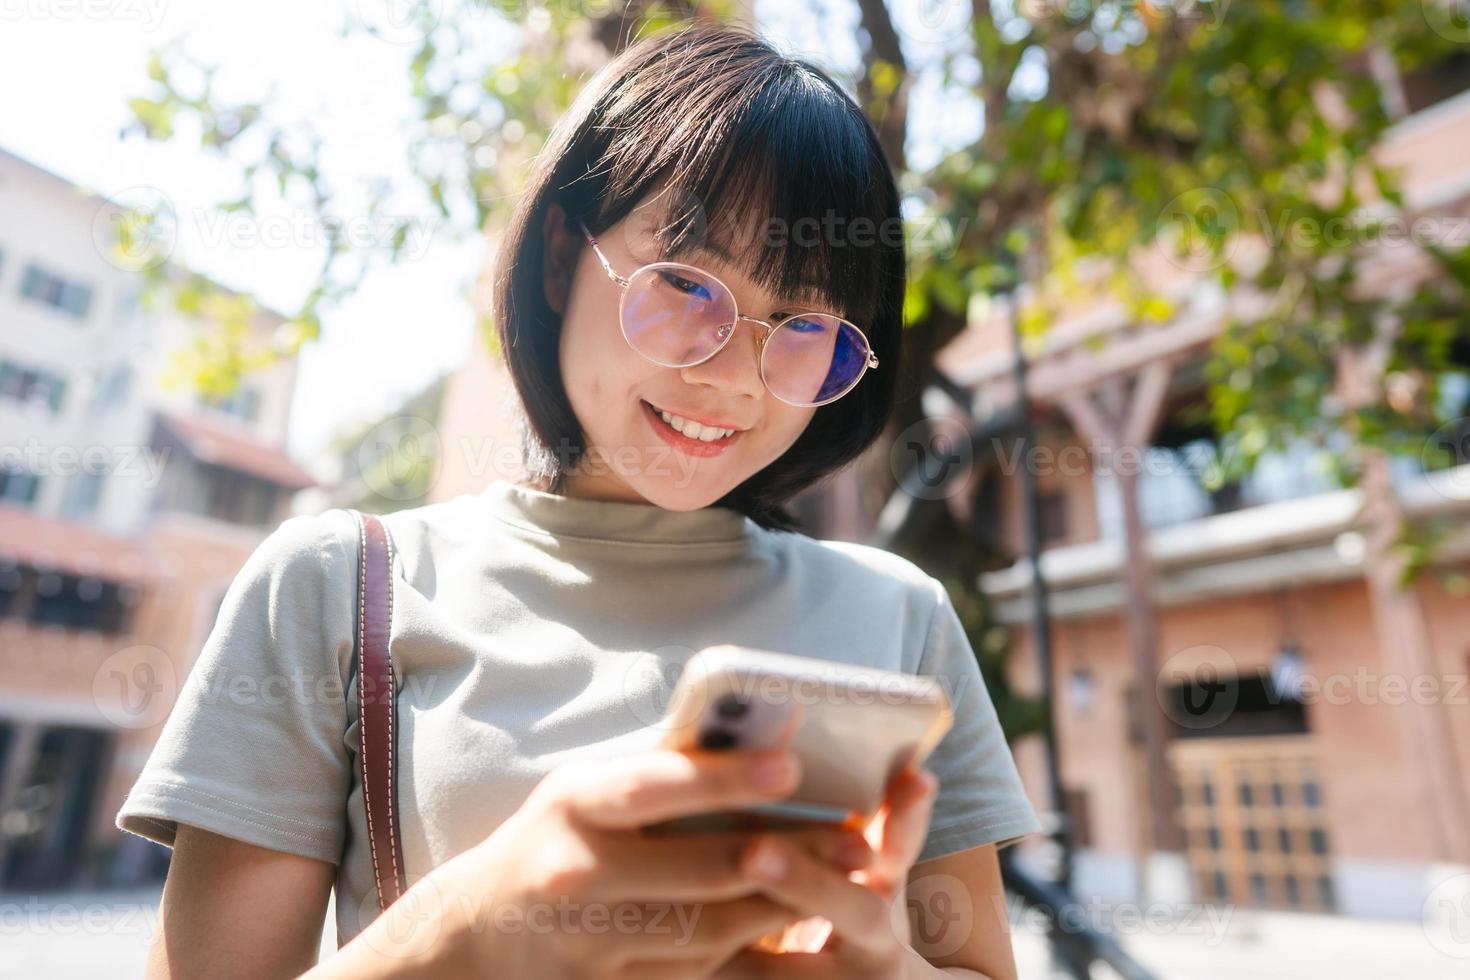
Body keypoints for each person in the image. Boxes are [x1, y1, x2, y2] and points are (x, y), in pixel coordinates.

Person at [117, 21, 1042, 979]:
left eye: (803, 323)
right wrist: (480, 919)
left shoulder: (903, 619)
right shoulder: (338, 586)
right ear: (562, 255)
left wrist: (885, 971)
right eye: (686, 285)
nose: (733, 378)